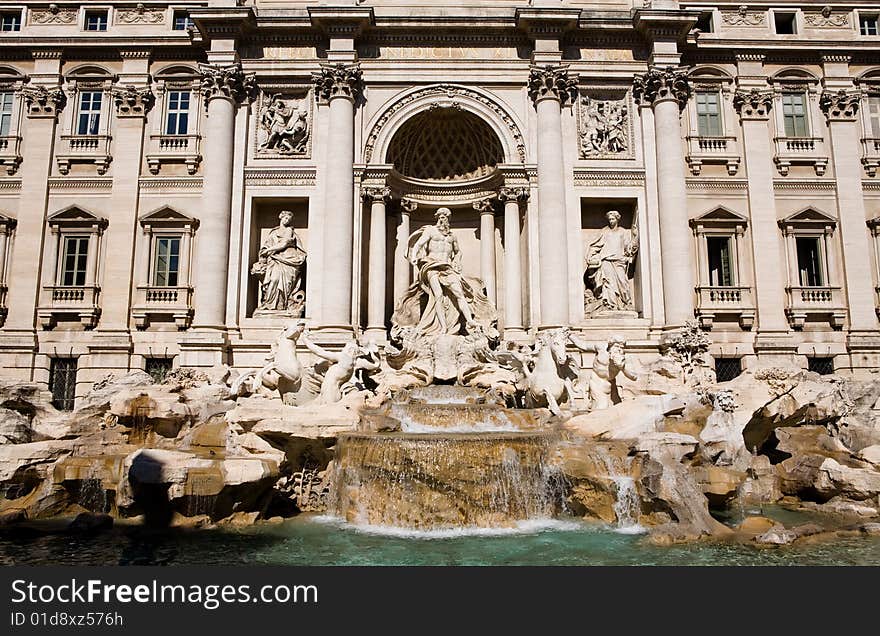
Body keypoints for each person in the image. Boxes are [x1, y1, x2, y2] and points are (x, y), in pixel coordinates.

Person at [394, 207, 498, 335]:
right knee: (437, 295)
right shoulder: (430, 231)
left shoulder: (452, 236)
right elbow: (418, 245)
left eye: (446, 217)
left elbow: (458, 252)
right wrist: (414, 256)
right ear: (437, 217)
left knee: (459, 293)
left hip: (447, 268)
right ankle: (442, 327)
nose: (443, 219)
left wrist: (457, 261)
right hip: (432, 266)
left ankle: (470, 320)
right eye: (441, 216)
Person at [252, 210, 306, 312]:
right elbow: (267, 245)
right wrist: (264, 253)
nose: (287, 221)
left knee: (286, 284)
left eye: (289, 219)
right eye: (285, 218)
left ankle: (282, 305)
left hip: (288, 259)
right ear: (281, 218)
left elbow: (283, 244)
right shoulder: (274, 232)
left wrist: (268, 250)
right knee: (274, 280)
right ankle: (269, 304)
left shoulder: (289, 230)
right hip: (275, 260)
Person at [585, 210, 638, 312]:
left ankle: (627, 302)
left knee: (623, 281)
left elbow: (628, 247)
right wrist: (590, 255)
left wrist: (635, 237)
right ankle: (610, 305)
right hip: (606, 260)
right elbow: (596, 244)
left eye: (613, 219)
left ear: (617, 219)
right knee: (608, 282)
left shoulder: (622, 232)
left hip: (619, 260)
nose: (611, 221)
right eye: (609, 219)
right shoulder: (604, 231)